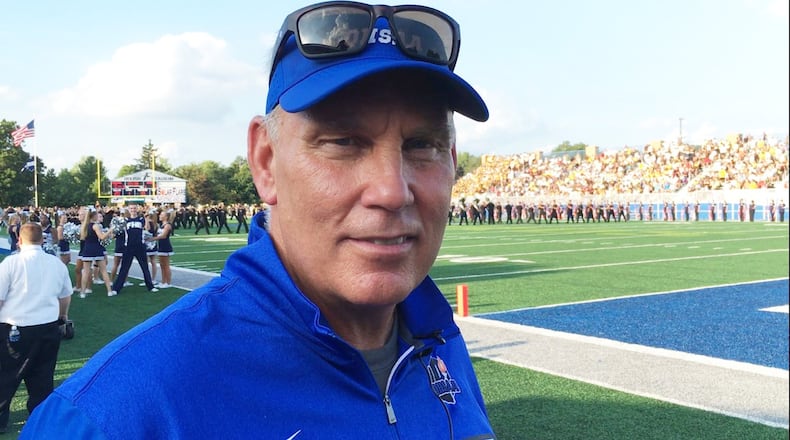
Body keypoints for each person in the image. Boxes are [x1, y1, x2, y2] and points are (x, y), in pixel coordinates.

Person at [21, 3, 495, 438]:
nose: (392, 191)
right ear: (265, 162)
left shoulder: (436, 344)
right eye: (343, 142)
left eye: (422, 145)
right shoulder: (112, 416)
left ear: (453, 160)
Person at [0, 223, 72, 434]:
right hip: (48, 327)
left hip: (15, 327)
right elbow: (65, 296)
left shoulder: (10, 263)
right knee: (43, 377)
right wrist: (62, 317)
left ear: (19, 240)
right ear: (43, 240)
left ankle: (2, 419)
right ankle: (40, 419)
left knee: (7, 375)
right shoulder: (56, 263)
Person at [107, 203, 158, 296]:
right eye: (131, 208)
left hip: (140, 246)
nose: (133, 210)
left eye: (134, 208)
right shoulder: (125, 220)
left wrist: (146, 218)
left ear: (137, 209)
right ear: (128, 210)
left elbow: (147, 228)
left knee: (145, 267)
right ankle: (116, 288)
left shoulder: (141, 219)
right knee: (124, 268)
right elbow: (116, 232)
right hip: (128, 246)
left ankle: (150, 286)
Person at [78, 209, 115, 298]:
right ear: (93, 216)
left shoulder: (84, 226)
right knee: (103, 271)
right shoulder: (95, 226)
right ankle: (109, 291)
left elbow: (82, 238)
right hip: (97, 249)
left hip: (87, 250)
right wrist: (110, 230)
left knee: (86, 272)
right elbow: (101, 237)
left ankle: (82, 292)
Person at [148, 209, 175, 288]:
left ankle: (168, 282)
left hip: (166, 246)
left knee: (166, 265)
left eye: (161, 215)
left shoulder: (167, 225)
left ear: (166, 217)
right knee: (162, 265)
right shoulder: (162, 225)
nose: (160, 216)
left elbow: (163, 236)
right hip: (161, 246)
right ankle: (163, 281)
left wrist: (152, 238)